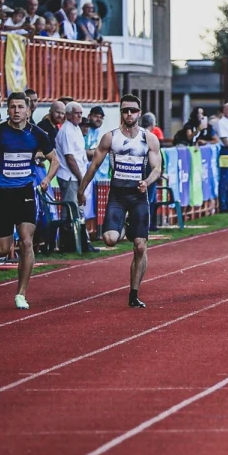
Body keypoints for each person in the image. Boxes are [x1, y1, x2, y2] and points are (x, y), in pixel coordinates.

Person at [0, 92, 59, 309]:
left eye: (21, 107)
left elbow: (54, 160)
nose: (17, 111)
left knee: (26, 241)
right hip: (2, 192)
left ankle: (21, 293)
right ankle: (7, 244)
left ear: (28, 111)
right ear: (8, 109)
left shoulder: (37, 134)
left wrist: (47, 179)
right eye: (13, 107)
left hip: (25, 193)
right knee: (1, 249)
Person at [78, 95, 162, 308]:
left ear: (139, 113)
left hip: (138, 196)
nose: (129, 114)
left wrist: (147, 181)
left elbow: (157, 169)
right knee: (109, 240)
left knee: (140, 247)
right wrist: (81, 189)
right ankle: (125, 227)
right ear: (121, 113)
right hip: (117, 195)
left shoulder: (149, 138)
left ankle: (133, 294)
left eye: (133, 110)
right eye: (125, 110)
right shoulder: (110, 137)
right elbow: (94, 165)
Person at [54, 102, 87, 214]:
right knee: (70, 212)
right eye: (76, 113)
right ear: (67, 115)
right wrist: (81, 179)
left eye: (80, 113)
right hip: (70, 177)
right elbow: (70, 159)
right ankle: (67, 232)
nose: (79, 116)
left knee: (77, 210)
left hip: (76, 176)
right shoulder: (67, 131)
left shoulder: (76, 128)